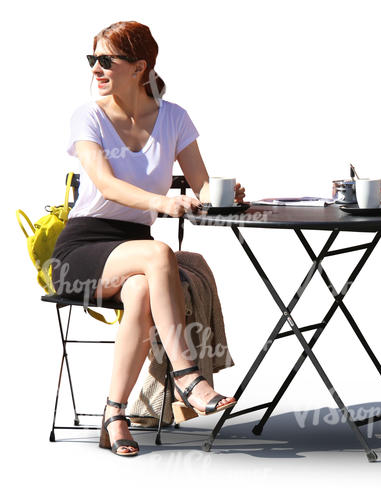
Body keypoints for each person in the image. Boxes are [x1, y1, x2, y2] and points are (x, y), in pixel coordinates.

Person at [51, 21, 244, 456]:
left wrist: (223, 195)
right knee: (159, 254)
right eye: (93, 59)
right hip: (82, 250)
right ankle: (188, 378)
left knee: (141, 289)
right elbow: (105, 184)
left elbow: (201, 185)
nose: (96, 68)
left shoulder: (173, 117)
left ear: (140, 68)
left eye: (107, 60)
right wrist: (162, 202)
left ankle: (113, 415)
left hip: (133, 253)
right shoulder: (89, 116)